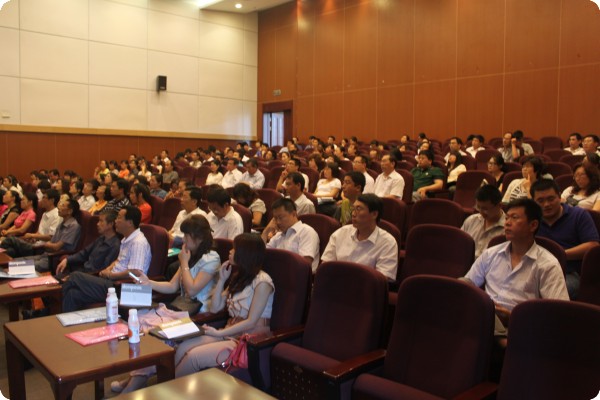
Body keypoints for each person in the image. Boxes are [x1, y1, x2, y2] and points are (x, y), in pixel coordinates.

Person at [110, 214, 221, 394]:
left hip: (199, 314)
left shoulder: (211, 258)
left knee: (156, 336)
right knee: (141, 325)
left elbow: (192, 290)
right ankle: (135, 377)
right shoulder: (190, 256)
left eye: (187, 236)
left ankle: (133, 384)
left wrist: (184, 263)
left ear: (199, 238)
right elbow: (171, 286)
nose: (183, 240)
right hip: (180, 310)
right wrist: (148, 282)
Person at [461, 198, 569, 337]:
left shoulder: (547, 264)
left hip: (522, 327)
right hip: (485, 317)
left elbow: (558, 313)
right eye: (507, 218)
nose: (507, 222)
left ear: (533, 225)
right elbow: (469, 283)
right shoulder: (491, 253)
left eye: (514, 217)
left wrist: (513, 316)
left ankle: (501, 339)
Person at [174, 233, 274, 377]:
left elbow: (251, 321)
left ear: (245, 254)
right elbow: (215, 308)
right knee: (183, 347)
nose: (230, 251)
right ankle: (167, 385)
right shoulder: (239, 277)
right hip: (229, 332)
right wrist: (222, 280)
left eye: (235, 249)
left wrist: (219, 333)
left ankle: (169, 388)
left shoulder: (263, 282)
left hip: (247, 340)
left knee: (193, 357)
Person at [62, 206, 151, 312]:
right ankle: (65, 321)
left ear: (130, 223)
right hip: (113, 284)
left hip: (125, 289)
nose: (115, 221)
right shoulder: (126, 239)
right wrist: (108, 269)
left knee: (75, 276)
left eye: (119, 218)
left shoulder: (138, 242)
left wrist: (111, 275)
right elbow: (118, 261)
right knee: (72, 294)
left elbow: (135, 272)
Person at [531, 179, 599, 299]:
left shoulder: (579, 215)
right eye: (540, 201)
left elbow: (592, 245)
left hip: (569, 272)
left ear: (559, 197)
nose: (546, 204)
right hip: (536, 270)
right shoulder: (531, 221)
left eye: (551, 199)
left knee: (548, 294)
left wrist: (560, 254)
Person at [321, 193, 398, 281]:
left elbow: (381, 280)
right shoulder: (341, 233)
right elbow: (325, 267)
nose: (353, 214)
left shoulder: (387, 242)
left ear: (374, 214)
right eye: (353, 209)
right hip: (336, 284)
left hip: (366, 288)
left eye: (358, 209)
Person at [2, 199, 81, 272]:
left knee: (16, 267)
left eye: (63, 206)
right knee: (12, 262)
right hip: (45, 255)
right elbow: (52, 242)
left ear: (70, 211)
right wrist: (46, 243)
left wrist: (47, 244)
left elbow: (56, 247)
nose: (59, 207)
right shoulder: (62, 223)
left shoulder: (73, 226)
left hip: (54, 259)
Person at [261, 198, 320, 271]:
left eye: (280, 217)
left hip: (296, 275)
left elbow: (305, 265)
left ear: (294, 214)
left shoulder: (307, 232)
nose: (278, 222)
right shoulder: (278, 235)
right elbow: (260, 255)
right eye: (275, 218)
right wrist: (265, 232)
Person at [55, 210, 120, 275]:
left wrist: (76, 276)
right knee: (56, 276)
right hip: (83, 271)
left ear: (110, 224)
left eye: (101, 221)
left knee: (65, 277)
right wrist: (67, 259)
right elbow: (83, 253)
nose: (97, 224)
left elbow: (103, 270)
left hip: (91, 276)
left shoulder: (115, 245)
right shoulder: (101, 239)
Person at [461, 185, 505, 259]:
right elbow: (459, 245)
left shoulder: (507, 227)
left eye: (485, 209)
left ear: (499, 205)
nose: (481, 212)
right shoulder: (471, 220)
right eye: (478, 207)